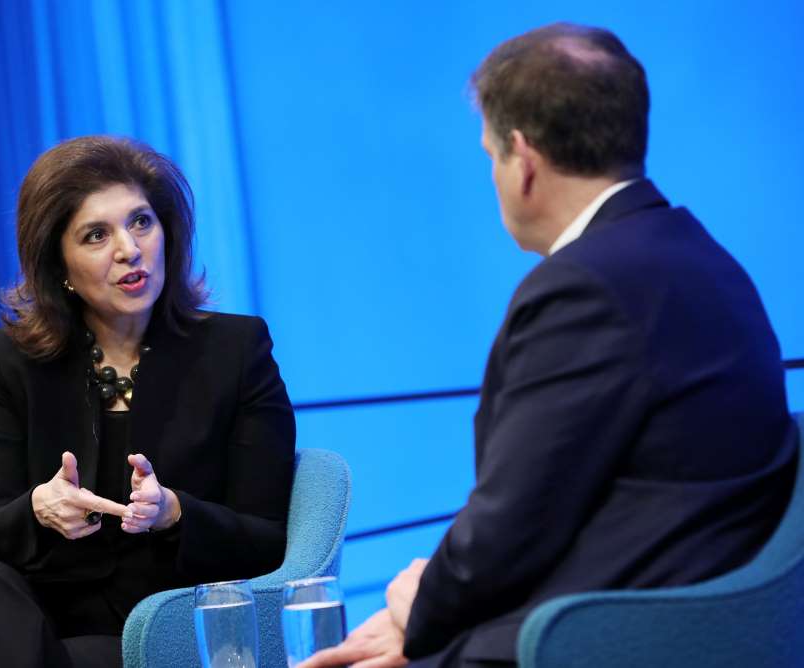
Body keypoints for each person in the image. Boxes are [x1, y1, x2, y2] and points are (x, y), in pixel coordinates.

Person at [302, 22, 797, 668]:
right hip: (688, 618)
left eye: (489, 157)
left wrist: (417, 613)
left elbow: (510, 525)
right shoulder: (700, 259)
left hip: (606, 636)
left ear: (523, 158)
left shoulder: (586, 288)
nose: (494, 177)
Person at [0, 136, 296, 668]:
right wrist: (39, 509)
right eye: (95, 235)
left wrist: (175, 513)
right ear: (59, 266)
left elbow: (267, 540)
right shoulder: (10, 362)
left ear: (167, 232)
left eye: (141, 222)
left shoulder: (236, 351)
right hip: (36, 619)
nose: (128, 249)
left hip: (161, 626)